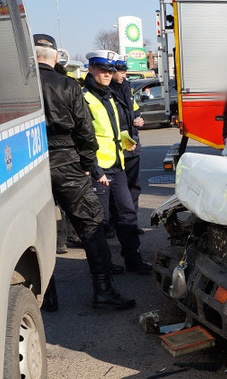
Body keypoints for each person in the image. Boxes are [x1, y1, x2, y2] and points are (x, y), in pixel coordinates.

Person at [34, 35, 134, 310]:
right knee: (91, 227)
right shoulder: (67, 84)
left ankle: (47, 297)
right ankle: (103, 291)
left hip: (30, 165)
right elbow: (84, 131)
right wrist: (86, 163)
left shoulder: (19, 86)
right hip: (67, 162)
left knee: (39, 233)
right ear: (56, 58)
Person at [84, 50, 152, 273]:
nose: (107, 74)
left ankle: (133, 260)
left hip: (118, 165)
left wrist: (126, 141)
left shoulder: (110, 96)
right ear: (91, 69)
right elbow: (83, 137)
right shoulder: (84, 97)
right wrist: (95, 170)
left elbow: (115, 129)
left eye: (110, 70)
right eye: (102, 69)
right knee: (101, 222)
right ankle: (103, 268)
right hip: (100, 170)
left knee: (127, 214)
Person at [110, 55, 145, 219]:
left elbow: (136, 111)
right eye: (121, 71)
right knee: (116, 188)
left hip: (132, 145)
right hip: (116, 147)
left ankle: (132, 221)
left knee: (134, 187)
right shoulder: (106, 90)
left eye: (125, 70)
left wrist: (140, 120)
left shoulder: (127, 88)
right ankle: (112, 225)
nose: (125, 74)